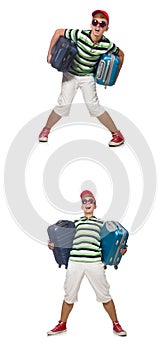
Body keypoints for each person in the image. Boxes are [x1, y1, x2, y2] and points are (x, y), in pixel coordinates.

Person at [39, 10, 125, 147]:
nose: (97, 26)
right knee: (63, 104)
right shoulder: (80, 35)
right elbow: (58, 32)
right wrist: (49, 53)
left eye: (102, 24)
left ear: (106, 28)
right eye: (95, 22)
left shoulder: (107, 45)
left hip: (87, 77)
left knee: (94, 106)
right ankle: (46, 130)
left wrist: (115, 75)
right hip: (70, 75)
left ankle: (117, 134)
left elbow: (121, 54)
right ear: (91, 24)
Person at [47, 190, 128, 336]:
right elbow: (64, 241)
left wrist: (121, 250)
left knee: (105, 295)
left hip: (94, 262)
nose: (87, 203)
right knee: (69, 295)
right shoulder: (75, 224)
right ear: (82, 206)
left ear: (95, 205)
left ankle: (116, 324)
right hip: (75, 262)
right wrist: (53, 246)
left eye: (90, 200)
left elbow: (111, 244)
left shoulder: (102, 225)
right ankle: (62, 324)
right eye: (84, 201)